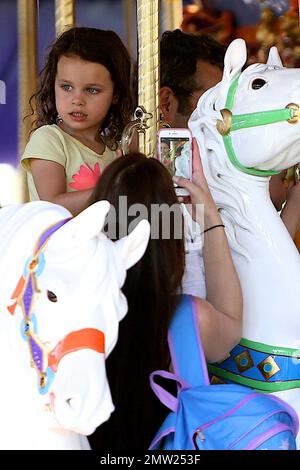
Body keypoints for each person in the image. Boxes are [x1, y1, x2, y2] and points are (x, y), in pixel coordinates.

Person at [88, 151, 243, 451]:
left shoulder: (73, 310)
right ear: (171, 236)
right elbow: (231, 322)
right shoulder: (187, 319)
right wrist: (210, 217)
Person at [21, 27, 133, 215]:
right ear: (53, 86)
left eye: (92, 90)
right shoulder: (49, 139)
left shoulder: (114, 151)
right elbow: (53, 205)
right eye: (66, 87)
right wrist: (113, 186)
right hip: (60, 243)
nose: (77, 100)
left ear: (115, 94)